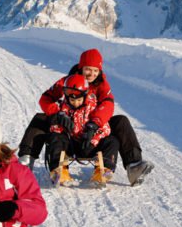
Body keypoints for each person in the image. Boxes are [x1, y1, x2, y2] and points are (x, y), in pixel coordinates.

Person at [18, 48, 153, 186]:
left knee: (121, 121)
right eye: (88, 69)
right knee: (41, 118)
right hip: (69, 127)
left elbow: (108, 104)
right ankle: (26, 160)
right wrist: (57, 114)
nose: (92, 74)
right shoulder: (67, 82)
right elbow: (46, 98)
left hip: (93, 125)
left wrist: (94, 124)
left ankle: (134, 165)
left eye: (96, 70)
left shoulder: (101, 84)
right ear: (81, 67)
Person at [44, 74, 119, 186]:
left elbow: (105, 129)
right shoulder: (62, 109)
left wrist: (93, 136)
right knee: (55, 138)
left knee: (112, 140)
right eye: (72, 100)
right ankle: (58, 170)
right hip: (71, 146)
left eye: (79, 100)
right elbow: (54, 129)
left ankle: (103, 171)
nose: (75, 103)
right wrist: (60, 124)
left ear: (85, 96)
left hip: (90, 145)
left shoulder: (93, 108)